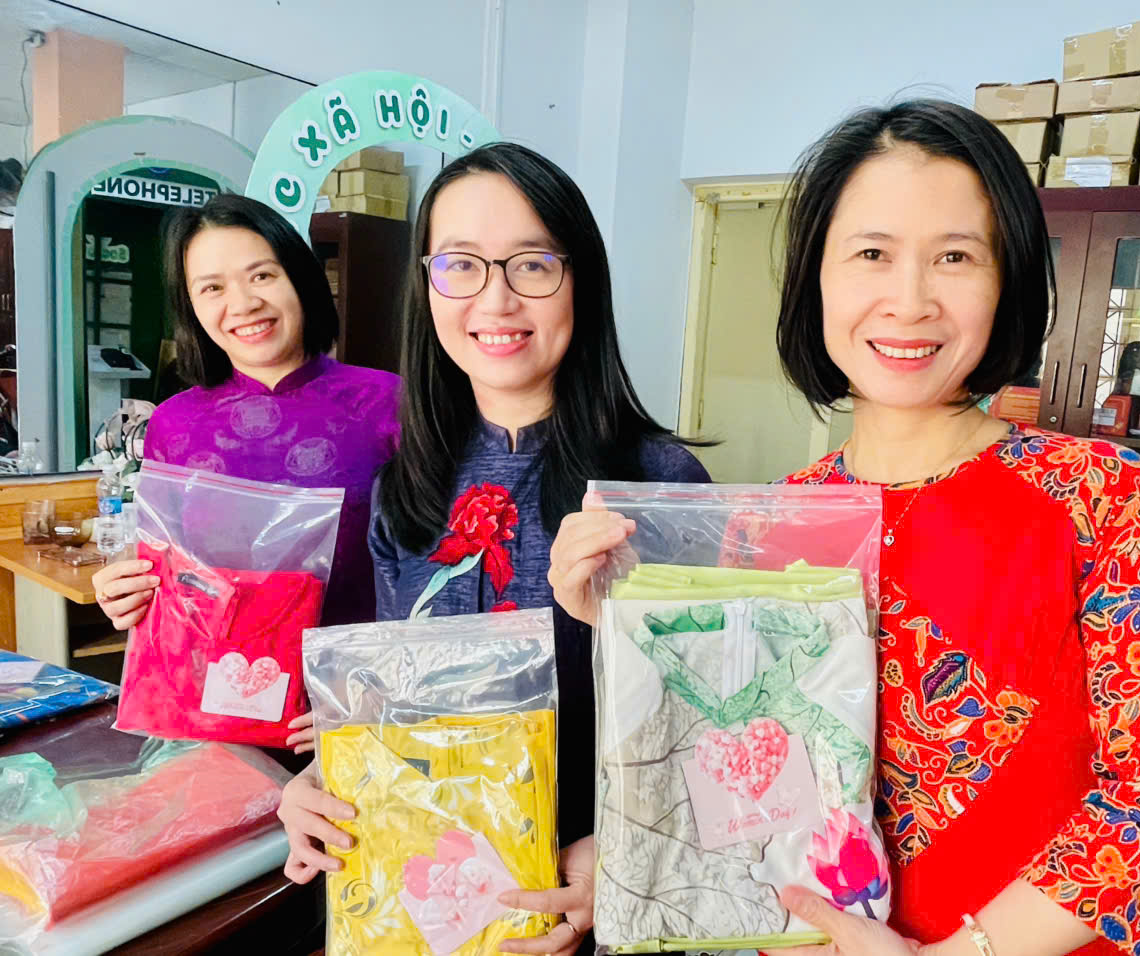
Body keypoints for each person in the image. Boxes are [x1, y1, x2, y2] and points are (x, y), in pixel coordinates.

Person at [551, 101, 1140, 956]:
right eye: (872, 254)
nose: (910, 302)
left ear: (1008, 281)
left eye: (955, 257)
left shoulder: (1099, 495)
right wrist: (632, 633)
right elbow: (740, 765)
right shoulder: (766, 522)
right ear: (817, 279)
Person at [276, 143, 709, 956]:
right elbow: (397, 708)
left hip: (608, 913)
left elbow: (714, 725)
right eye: (461, 265)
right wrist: (323, 783)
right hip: (438, 906)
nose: (497, 298)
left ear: (580, 281)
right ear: (427, 286)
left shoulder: (659, 483)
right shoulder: (404, 486)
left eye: (532, 265)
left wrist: (624, 852)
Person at [90, 194, 400, 732]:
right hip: (217, 709)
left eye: (261, 275)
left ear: (299, 279)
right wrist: (127, 593)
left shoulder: (388, 404)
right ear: (190, 306)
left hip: (360, 711)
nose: (243, 303)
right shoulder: (173, 424)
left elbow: (433, 572)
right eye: (212, 287)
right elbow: (173, 581)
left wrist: (374, 704)